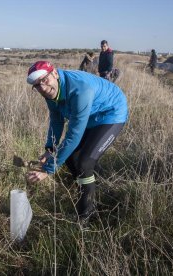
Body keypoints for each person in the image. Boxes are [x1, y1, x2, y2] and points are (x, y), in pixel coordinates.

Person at [26, 61, 128, 220]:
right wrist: (50, 149)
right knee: (71, 158)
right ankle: (92, 187)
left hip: (111, 112)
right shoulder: (49, 91)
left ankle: (85, 216)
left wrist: (48, 169)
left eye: (44, 80)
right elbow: (56, 119)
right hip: (90, 115)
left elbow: (74, 136)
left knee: (84, 162)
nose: (43, 88)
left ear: (54, 73)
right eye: (37, 85)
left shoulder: (80, 90)